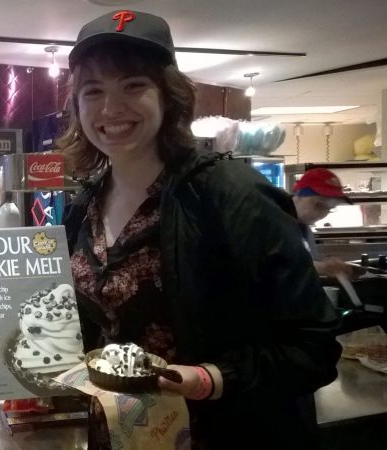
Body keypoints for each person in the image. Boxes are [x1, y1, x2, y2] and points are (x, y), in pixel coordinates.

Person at [58, 10, 341, 449]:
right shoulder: (85, 204)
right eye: (93, 91)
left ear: (168, 95)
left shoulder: (234, 196)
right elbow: (93, 324)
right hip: (121, 433)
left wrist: (203, 379)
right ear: (77, 106)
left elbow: (313, 350)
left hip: (224, 433)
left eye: (134, 85)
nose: (111, 108)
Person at [292, 168, 355, 278]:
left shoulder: (305, 229)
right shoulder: (275, 224)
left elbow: (305, 262)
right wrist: (321, 268)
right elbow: (275, 266)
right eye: (319, 205)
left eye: (330, 208)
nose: (322, 214)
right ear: (298, 195)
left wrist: (325, 264)